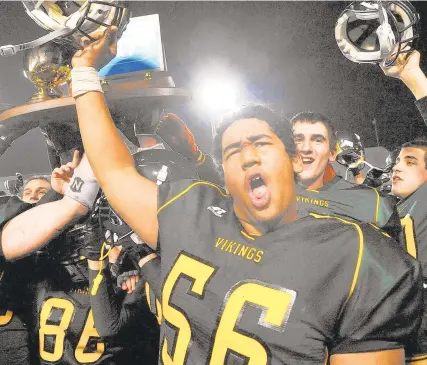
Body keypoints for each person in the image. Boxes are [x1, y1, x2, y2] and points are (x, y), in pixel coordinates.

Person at [69, 27, 423, 364]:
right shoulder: (190, 211)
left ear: (293, 162)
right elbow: (114, 169)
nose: (248, 154)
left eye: (261, 143)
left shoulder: (359, 257)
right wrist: (84, 70)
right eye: (232, 150)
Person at [290, 111, 400, 236]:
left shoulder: (375, 204)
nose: (305, 148)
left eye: (317, 140)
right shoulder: (268, 191)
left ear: (332, 153)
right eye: (297, 140)